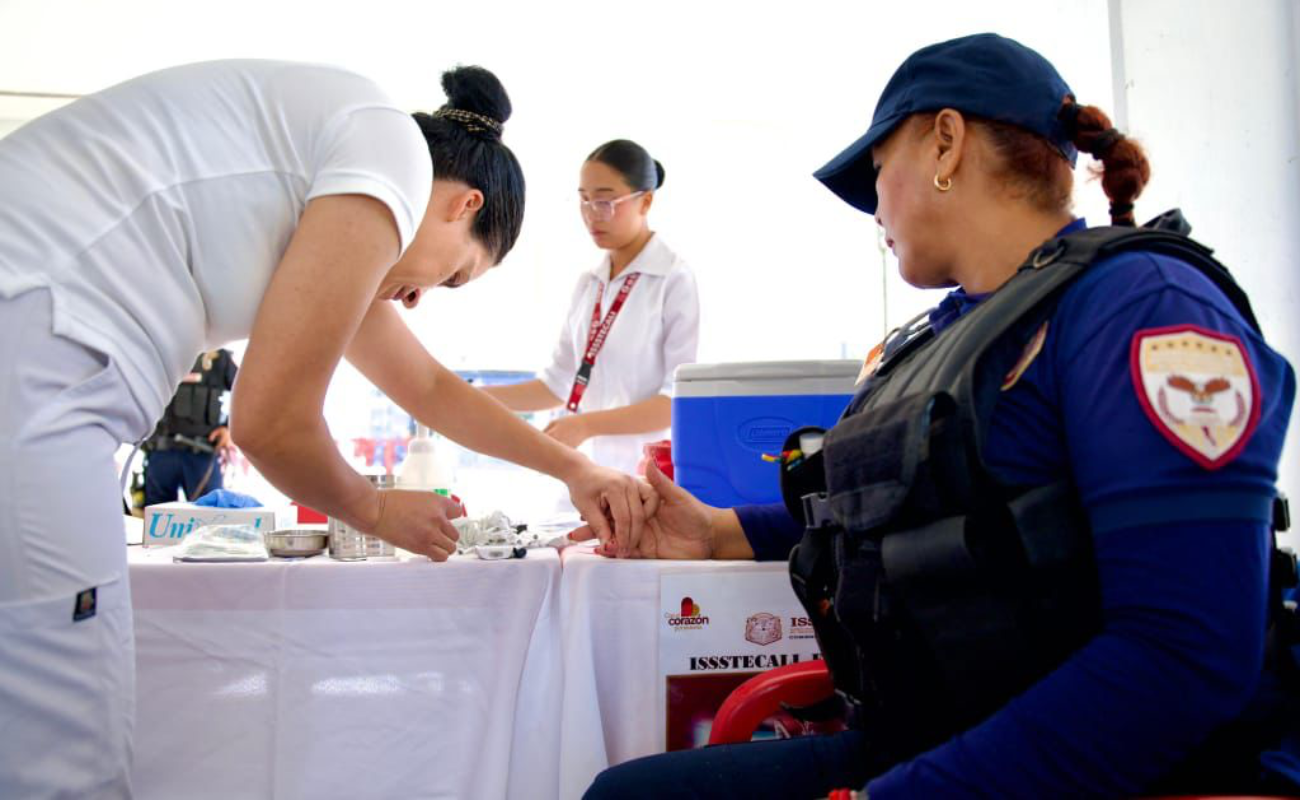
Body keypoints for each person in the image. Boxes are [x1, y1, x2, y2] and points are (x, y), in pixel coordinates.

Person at [580, 33, 1297, 799]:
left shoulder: (1143, 308)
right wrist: (718, 532)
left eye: (879, 172)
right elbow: (935, 515)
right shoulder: (953, 334)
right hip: (934, 733)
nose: (876, 207)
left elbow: (1183, 657)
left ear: (945, 143)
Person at [0, 60, 650, 797]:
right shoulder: (389, 160)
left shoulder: (341, 171)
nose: (418, 301)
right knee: (64, 733)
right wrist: (374, 509)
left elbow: (432, 386)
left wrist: (577, 470)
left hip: (35, 340)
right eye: (456, 276)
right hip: (32, 345)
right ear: (463, 204)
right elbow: (270, 422)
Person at [483, 139, 700, 476]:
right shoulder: (590, 283)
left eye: (605, 201)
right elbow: (557, 384)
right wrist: (473, 398)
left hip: (647, 476)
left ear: (645, 201)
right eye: (584, 200)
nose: (592, 215)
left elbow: (676, 402)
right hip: (582, 474)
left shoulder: (673, 279)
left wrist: (586, 425)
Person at [141, 348, 239, 507]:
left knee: (210, 518)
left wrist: (229, 429)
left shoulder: (218, 357)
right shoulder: (158, 352)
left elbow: (246, 391)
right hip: (161, 452)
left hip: (202, 453)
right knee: (155, 519)